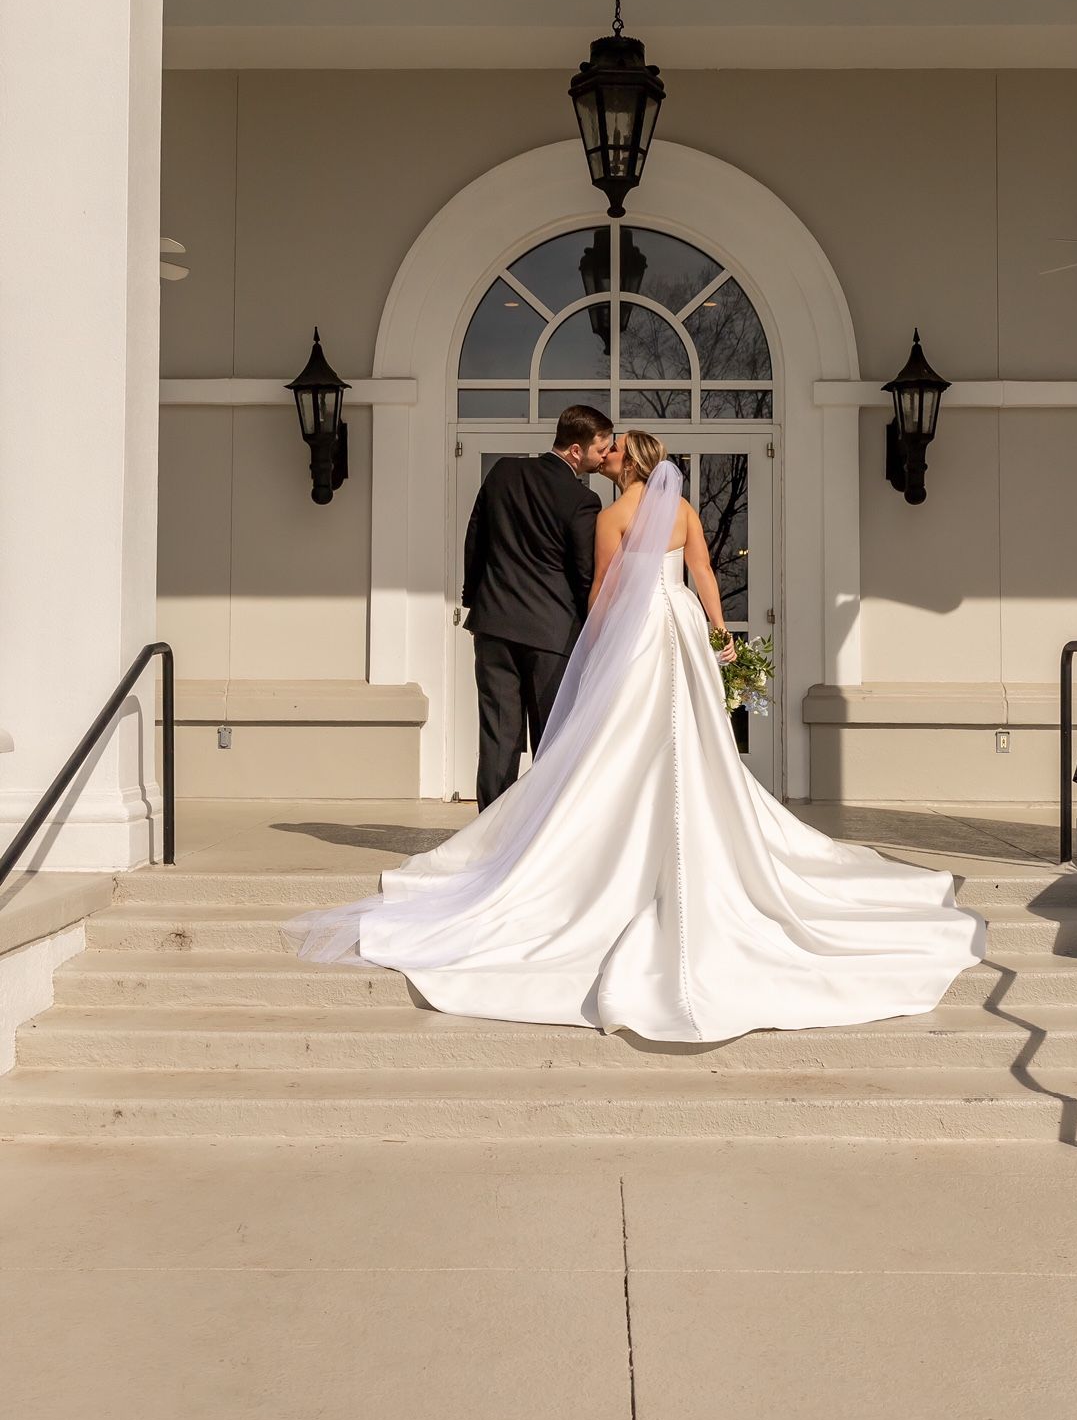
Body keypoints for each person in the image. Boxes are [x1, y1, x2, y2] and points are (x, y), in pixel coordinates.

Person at [287, 431, 984, 1042]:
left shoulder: (612, 515)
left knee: (622, 735)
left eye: (616, 450)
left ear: (625, 467)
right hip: (678, 620)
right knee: (689, 730)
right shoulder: (680, 511)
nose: (609, 455)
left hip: (638, 629)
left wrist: (593, 646)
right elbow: (706, 573)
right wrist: (720, 634)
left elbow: (605, 592)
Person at [461, 403, 614, 810]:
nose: (604, 459)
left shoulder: (503, 473)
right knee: (551, 736)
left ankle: (489, 835)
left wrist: (474, 599)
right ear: (578, 451)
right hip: (551, 633)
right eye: (602, 450)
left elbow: (475, 536)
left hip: (493, 626)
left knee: (498, 735)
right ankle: (542, 834)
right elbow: (585, 574)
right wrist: (591, 631)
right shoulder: (583, 500)